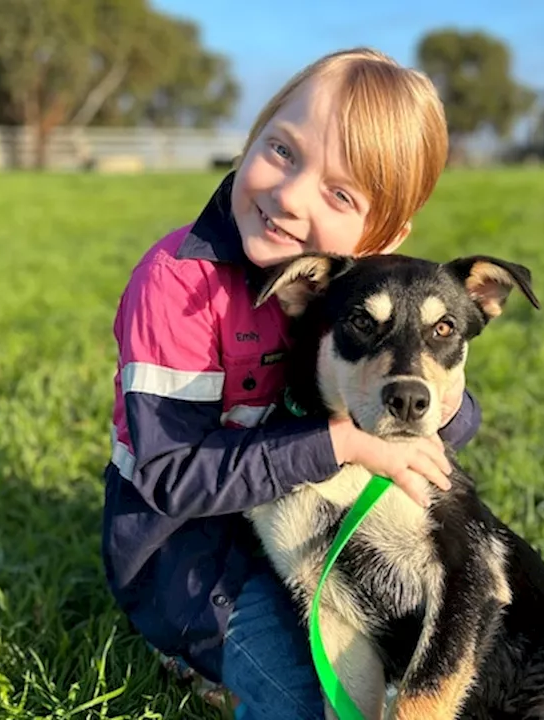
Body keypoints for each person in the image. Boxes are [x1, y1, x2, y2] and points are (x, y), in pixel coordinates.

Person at [100, 47, 483, 719]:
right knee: (312, 701)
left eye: (339, 193)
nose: (289, 195)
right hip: (193, 552)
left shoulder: (348, 292)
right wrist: (343, 443)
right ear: (256, 133)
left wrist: (443, 410)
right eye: (282, 150)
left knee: (456, 646)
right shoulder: (177, 284)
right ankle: (191, 649)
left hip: (303, 529)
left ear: (382, 237)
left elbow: (437, 412)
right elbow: (170, 476)